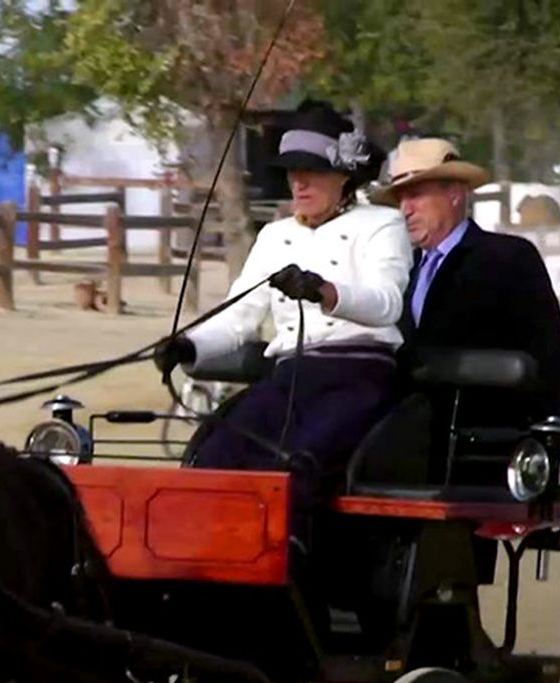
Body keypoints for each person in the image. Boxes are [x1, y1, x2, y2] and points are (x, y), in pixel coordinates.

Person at [153, 101, 413, 519]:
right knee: (216, 452)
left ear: (345, 176)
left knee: (297, 464)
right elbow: (239, 316)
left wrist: (325, 291)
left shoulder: (381, 225)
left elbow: (387, 302)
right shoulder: (275, 237)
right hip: (289, 377)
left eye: (312, 172)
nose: (299, 183)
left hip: (358, 376)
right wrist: (188, 346)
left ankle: (294, 568)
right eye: (293, 172)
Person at [370, 138, 560, 426]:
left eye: (415, 195)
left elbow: (548, 353)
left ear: (454, 193)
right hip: (412, 443)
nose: (406, 209)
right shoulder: (402, 269)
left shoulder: (506, 258)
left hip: (488, 438)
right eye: (400, 199)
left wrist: (551, 430)